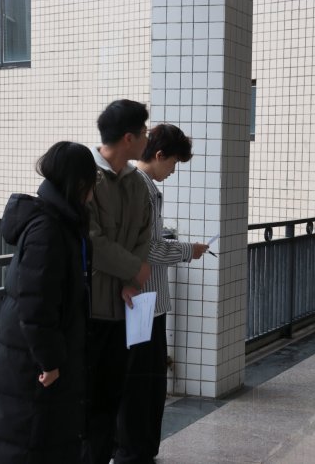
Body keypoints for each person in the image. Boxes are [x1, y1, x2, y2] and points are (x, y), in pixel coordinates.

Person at [0, 142, 97, 464]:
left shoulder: (62, 221)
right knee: (29, 440)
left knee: (42, 438)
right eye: (93, 181)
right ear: (79, 182)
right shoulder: (48, 228)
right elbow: (36, 305)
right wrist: (49, 361)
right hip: (34, 362)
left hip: (39, 355)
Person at [83, 99, 154, 464]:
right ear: (129, 137)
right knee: (85, 400)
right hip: (90, 310)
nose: (147, 139)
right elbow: (91, 241)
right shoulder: (86, 177)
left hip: (123, 310)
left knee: (111, 397)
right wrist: (133, 270)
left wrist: (133, 280)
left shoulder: (137, 183)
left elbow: (145, 234)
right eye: (144, 132)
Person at [134, 124, 209, 460]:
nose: (174, 171)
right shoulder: (142, 188)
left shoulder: (140, 185)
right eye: (174, 163)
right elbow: (148, 249)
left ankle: (139, 446)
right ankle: (137, 448)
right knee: (145, 380)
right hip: (142, 301)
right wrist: (187, 250)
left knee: (146, 378)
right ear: (159, 154)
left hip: (144, 300)